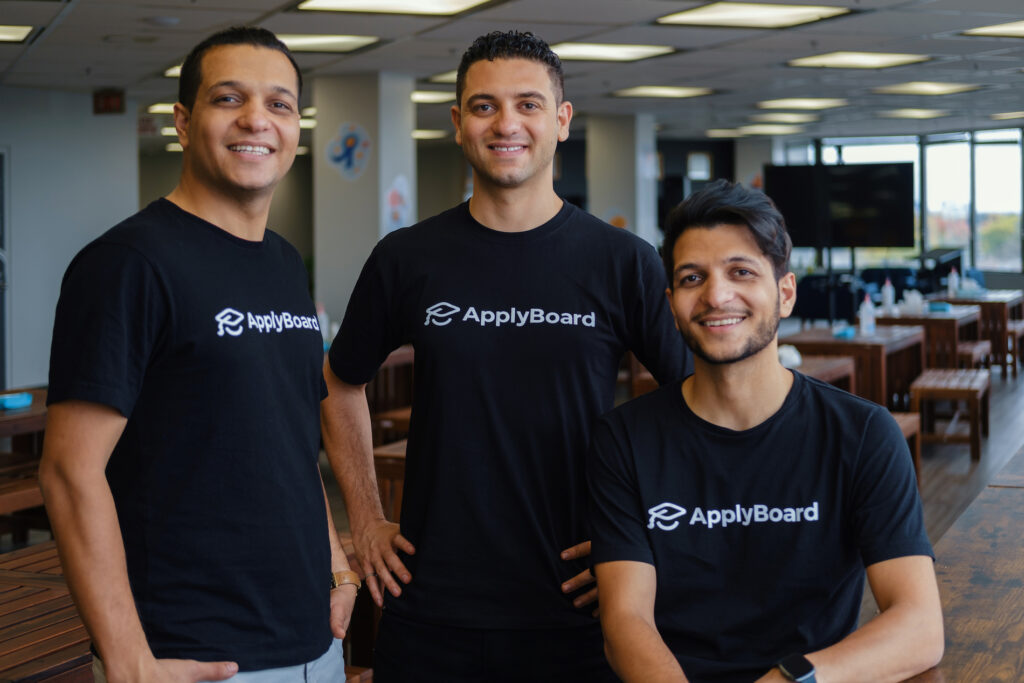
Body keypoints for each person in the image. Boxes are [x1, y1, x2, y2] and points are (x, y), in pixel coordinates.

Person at [321, 30, 688, 682]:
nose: (506, 123)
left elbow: (693, 404)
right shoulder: (408, 258)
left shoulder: (621, 260)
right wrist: (367, 517)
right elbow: (339, 379)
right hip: (432, 604)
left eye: (528, 104)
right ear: (459, 123)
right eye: (485, 106)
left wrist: (643, 539)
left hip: (577, 604)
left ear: (561, 121)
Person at [39, 26, 357, 683]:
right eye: (228, 98)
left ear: (297, 126)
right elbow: (70, 472)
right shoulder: (128, 264)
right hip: (193, 655)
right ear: (183, 123)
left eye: (279, 104)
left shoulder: (281, 263)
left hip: (312, 640)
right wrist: (127, 658)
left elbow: (291, 439)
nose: (256, 120)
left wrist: (337, 567)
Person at [587, 179, 944, 683]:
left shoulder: (863, 434)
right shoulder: (625, 439)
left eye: (741, 271)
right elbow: (626, 620)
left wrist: (787, 679)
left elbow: (920, 627)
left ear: (785, 293)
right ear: (671, 304)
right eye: (693, 278)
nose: (716, 295)